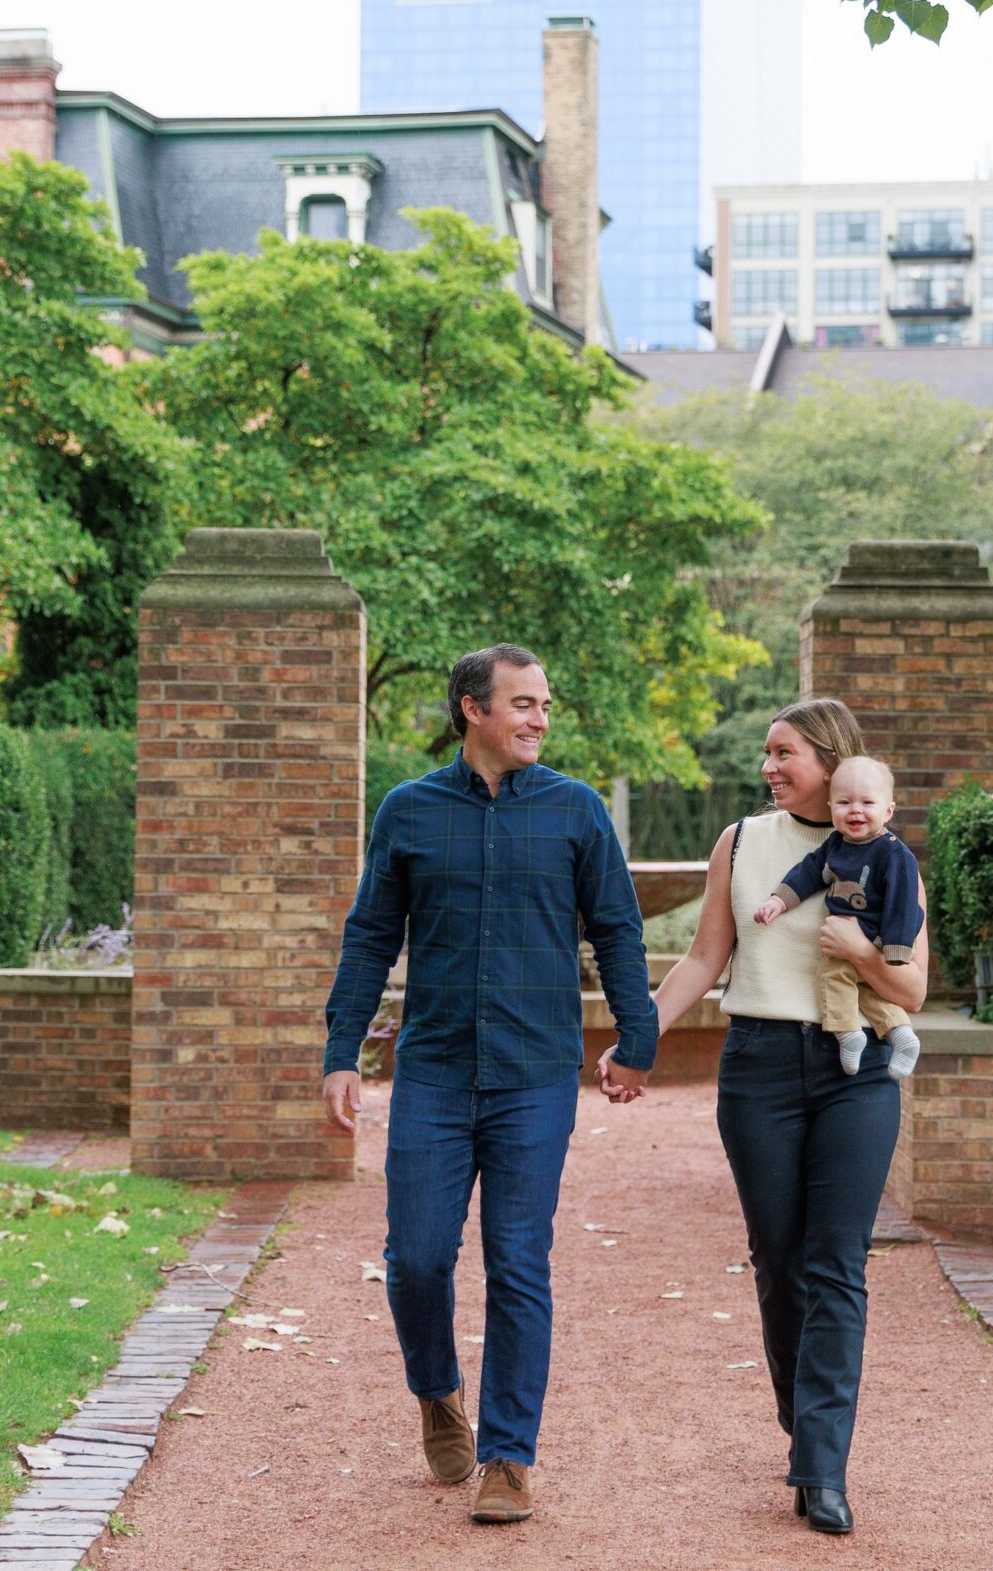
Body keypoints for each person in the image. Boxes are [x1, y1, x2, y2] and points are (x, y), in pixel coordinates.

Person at [320, 644, 656, 1527]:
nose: (540, 718)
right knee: (417, 1258)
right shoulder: (409, 811)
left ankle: (509, 1457)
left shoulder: (577, 811)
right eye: (524, 703)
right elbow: (368, 938)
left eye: (546, 703)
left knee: (518, 1262)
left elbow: (618, 930)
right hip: (432, 1071)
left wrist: (639, 1034)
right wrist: (341, 1047)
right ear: (474, 709)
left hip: (535, 1076)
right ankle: (437, 1391)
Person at [596, 698, 926, 1536]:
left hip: (859, 1072)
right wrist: (639, 1040)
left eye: (785, 753)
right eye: (766, 754)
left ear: (830, 756)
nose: (770, 767)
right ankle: (804, 1417)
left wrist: (857, 952)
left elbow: (913, 988)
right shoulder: (741, 842)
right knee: (779, 1259)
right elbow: (707, 956)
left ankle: (822, 1465)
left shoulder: (889, 856)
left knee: (837, 1261)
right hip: (760, 1071)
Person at [752, 755, 924, 1077]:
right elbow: (808, 873)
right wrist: (779, 900)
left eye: (867, 802)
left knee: (832, 974)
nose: (855, 810)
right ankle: (902, 1035)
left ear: (888, 810)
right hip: (857, 940)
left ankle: (847, 1034)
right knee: (870, 991)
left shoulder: (895, 853)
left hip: (879, 937)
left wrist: (895, 950)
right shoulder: (836, 846)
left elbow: (903, 902)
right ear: (831, 806)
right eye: (844, 802)